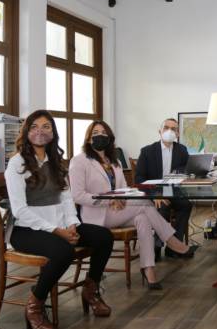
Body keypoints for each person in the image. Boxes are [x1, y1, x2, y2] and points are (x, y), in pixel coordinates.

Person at [5, 110, 113, 329]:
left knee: (104, 237)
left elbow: (66, 199)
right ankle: (34, 305)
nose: (40, 131)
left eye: (46, 127)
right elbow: (20, 210)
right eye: (34, 127)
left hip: (60, 226)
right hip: (26, 230)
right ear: (26, 132)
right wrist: (57, 231)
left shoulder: (56, 162)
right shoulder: (16, 164)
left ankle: (91, 290)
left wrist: (72, 224)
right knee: (64, 251)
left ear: (53, 133)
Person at [70, 121, 196, 291]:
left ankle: (148, 269)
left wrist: (123, 198)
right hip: (97, 216)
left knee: (143, 218)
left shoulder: (114, 162)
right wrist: (109, 200)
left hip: (119, 210)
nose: (100, 136)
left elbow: (124, 188)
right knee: (145, 203)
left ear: (109, 138)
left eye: (104, 133)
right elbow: (77, 195)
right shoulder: (79, 161)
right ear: (88, 138)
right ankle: (172, 241)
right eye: (95, 133)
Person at [135, 118, 193, 261]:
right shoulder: (147, 151)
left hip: (173, 191)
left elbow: (187, 170)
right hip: (153, 193)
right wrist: (154, 195)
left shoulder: (182, 150)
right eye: (166, 127)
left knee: (186, 205)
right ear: (159, 131)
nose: (169, 131)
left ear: (177, 134)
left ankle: (173, 247)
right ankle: (156, 247)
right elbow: (139, 178)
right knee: (163, 207)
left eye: (173, 129)